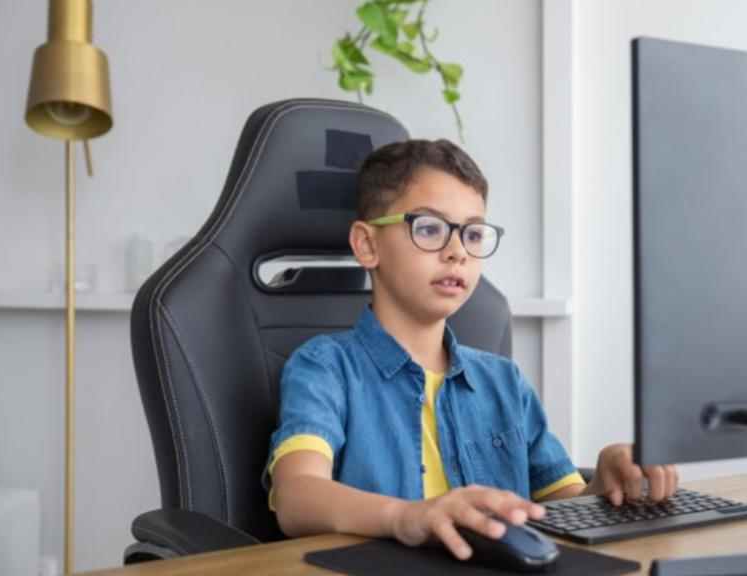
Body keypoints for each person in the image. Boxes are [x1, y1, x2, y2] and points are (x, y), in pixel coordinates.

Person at [265, 139, 678, 560]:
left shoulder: (503, 381)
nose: (457, 251)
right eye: (429, 228)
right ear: (368, 245)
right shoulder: (324, 367)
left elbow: (557, 509)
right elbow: (297, 497)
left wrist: (605, 483)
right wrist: (408, 517)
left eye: (473, 233)